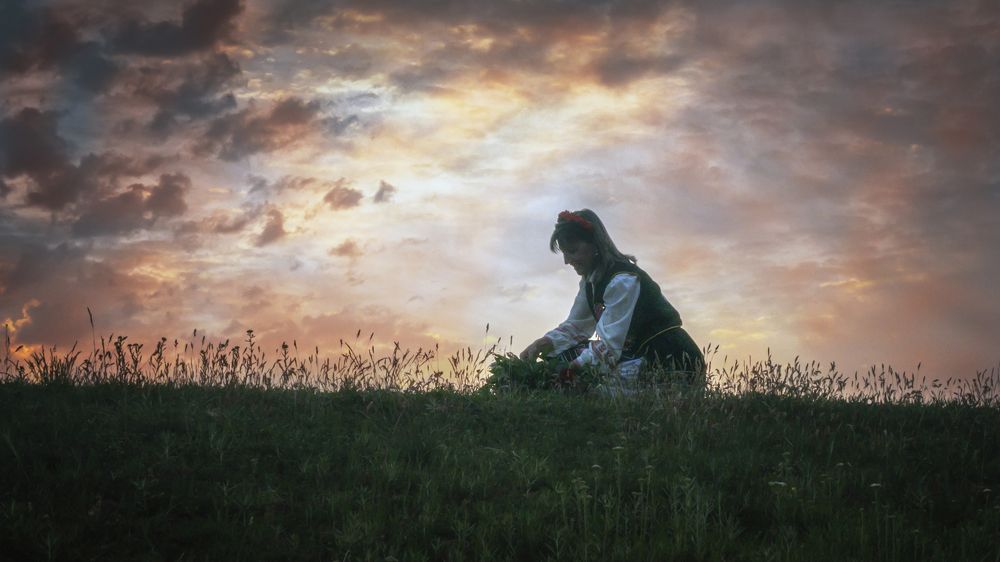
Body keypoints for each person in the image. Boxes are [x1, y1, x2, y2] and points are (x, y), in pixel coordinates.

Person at [519, 209, 705, 387]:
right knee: (559, 355)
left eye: (573, 250)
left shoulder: (622, 281)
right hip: (636, 355)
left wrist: (569, 372)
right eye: (565, 253)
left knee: (586, 382)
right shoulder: (591, 281)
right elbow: (576, 326)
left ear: (595, 246)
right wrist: (543, 343)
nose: (567, 261)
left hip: (669, 358)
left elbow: (609, 346)